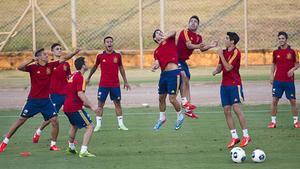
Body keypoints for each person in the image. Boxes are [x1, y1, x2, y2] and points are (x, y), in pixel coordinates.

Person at [0, 48, 62, 153]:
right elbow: (19, 67)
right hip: (33, 101)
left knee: (55, 120)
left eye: (46, 54)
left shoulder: (50, 66)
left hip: (46, 101)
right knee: (20, 121)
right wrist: (31, 60)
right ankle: (4, 142)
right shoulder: (33, 68)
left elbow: (64, 59)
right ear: (38, 57)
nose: (47, 56)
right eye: (44, 54)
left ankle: (53, 145)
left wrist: (75, 52)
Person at [32, 43, 80, 143]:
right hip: (54, 95)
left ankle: (71, 139)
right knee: (51, 118)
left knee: (72, 115)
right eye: (57, 49)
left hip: (66, 94)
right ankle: (39, 130)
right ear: (52, 51)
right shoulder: (49, 65)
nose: (59, 50)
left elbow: (68, 77)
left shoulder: (66, 64)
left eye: (60, 49)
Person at [212, 32, 251, 148]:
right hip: (224, 85)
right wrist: (216, 70)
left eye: (227, 38)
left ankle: (246, 135)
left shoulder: (236, 52)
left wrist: (221, 55)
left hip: (234, 84)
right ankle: (234, 137)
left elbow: (228, 67)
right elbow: (221, 67)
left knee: (236, 108)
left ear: (232, 41)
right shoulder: (223, 52)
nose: (225, 40)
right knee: (226, 110)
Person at [177, 15, 217, 119]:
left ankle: (188, 109)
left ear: (198, 25)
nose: (193, 23)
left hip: (183, 61)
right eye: (191, 21)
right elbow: (189, 45)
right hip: (175, 59)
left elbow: (202, 49)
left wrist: (211, 46)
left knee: (187, 82)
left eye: (195, 21)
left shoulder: (198, 37)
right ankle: (185, 103)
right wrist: (199, 46)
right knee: (184, 77)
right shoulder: (184, 32)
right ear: (188, 23)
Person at [87, 36, 130, 132]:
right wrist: (89, 77)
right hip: (103, 85)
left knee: (117, 104)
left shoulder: (118, 55)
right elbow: (94, 67)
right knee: (100, 104)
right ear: (104, 44)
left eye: (111, 42)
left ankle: (121, 124)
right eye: (107, 42)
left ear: (112, 43)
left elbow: (121, 68)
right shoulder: (100, 56)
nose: (109, 43)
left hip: (115, 85)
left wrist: (125, 81)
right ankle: (98, 125)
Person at [64, 57, 98, 158]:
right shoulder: (80, 77)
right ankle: (83, 151)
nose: (87, 63)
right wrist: (92, 106)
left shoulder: (73, 75)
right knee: (90, 126)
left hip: (67, 107)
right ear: (83, 65)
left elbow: (73, 93)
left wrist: (88, 106)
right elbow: (80, 94)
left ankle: (71, 148)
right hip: (74, 108)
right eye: (86, 62)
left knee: (74, 125)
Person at [152, 29, 185, 130]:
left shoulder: (169, 40)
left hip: (173, 73)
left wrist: (165, 36)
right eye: (157, 33)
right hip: (163, 75)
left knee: (172, 99)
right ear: (154, 38)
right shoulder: (156, 51)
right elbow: (157, 62)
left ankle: (180, 115)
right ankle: (162, 118)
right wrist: (155, 66)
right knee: (161, 98)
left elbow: (174, 32)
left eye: (160, 31)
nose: (160, 33)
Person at [268, 31, 300, 128]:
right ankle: (273, 122)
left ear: (286, 39)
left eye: (282, 38)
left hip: (289, 81)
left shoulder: (293, 51)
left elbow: (298, 64)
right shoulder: (275, 52)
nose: (281, 40)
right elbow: (273, 64)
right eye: (279, 38)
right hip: (278, 81)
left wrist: (293, 69)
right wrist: (271, 75)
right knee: (274, 100)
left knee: (293, 101)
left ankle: (296, 122)